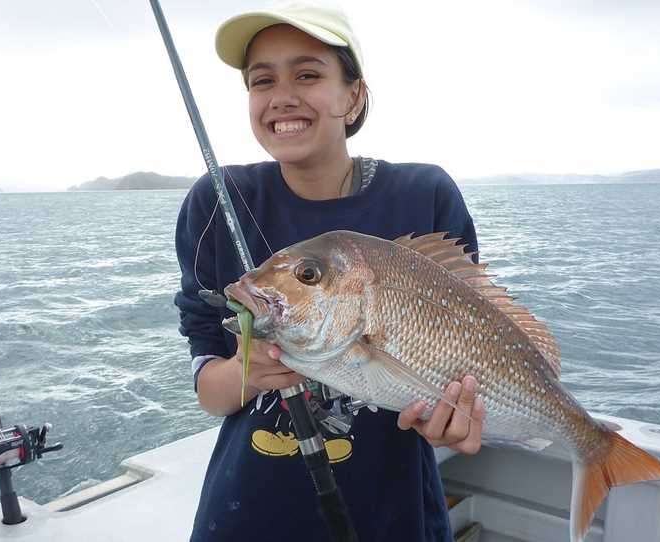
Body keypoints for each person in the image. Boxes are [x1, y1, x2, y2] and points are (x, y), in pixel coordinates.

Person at [174, 3, 486, 541]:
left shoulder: (424, 195)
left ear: (354, 95)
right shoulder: (216, 202)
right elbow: (208, 385)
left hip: (395, 516)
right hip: (249, 516)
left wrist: (457, 422)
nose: (281, 96)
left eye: (308, 74)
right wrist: (251, 369)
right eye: (261, 80)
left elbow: (473, 344)